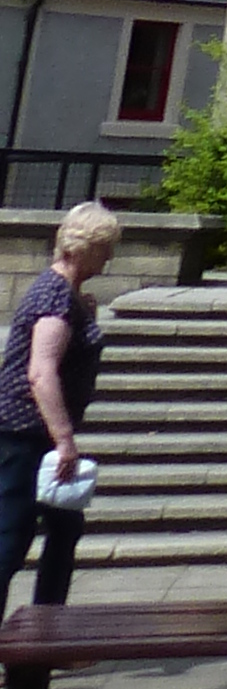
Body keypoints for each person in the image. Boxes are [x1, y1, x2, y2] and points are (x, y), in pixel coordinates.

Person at [0, 202, 118, 598]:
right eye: (106, 249)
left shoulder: (67, 295)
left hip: (35, 433)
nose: (110, 259)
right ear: (87, 249)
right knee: (10, 538)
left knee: (65, 528)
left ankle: (43, 639)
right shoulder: (55, 298)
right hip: (25, 434)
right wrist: (64, 439)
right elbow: (40, 372)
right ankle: (30, 647)